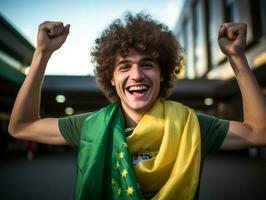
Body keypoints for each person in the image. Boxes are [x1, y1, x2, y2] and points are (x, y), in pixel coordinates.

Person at [8, 13, 266, 200]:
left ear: (163, 73)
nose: (136, 75)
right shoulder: (92, 126)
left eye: (147, 64)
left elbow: (259, 132)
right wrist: (42, 54)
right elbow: (22, 126)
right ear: (111, 78)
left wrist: (237, 57)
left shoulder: (191, 125)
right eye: (124, 66)